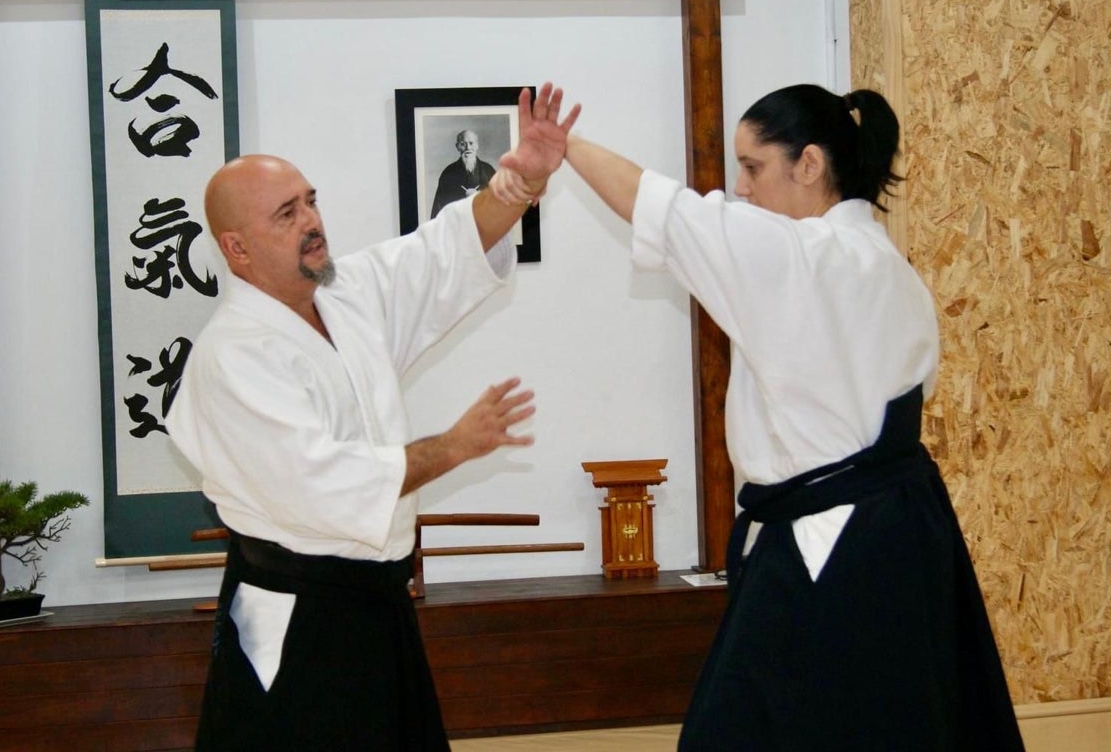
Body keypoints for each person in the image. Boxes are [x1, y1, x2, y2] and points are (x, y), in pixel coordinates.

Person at [500, 83, 1024, 750]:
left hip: (831, 551)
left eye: (752, 168)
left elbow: (667, 210)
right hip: (903, 540)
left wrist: (564, 147)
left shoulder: (805, 259)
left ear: (808, 164)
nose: (741, 190)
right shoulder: (889, 268)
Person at [166, 83, 579, 751]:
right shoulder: (232, 357)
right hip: (290, 604)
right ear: (237, 250)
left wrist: (521, 186)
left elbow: (443, 254)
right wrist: (451, 447)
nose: (311, 221)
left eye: (310, 202)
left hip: (372, 597)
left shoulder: (346, 293)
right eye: (285, 214)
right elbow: (318, 483)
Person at [430, 128, 497, 218]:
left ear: (477, 145)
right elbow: (438, 208)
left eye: (471, 143)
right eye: (463, 144)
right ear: (457, 146)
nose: (468, 148)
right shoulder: (448, 173)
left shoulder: (489, 171)